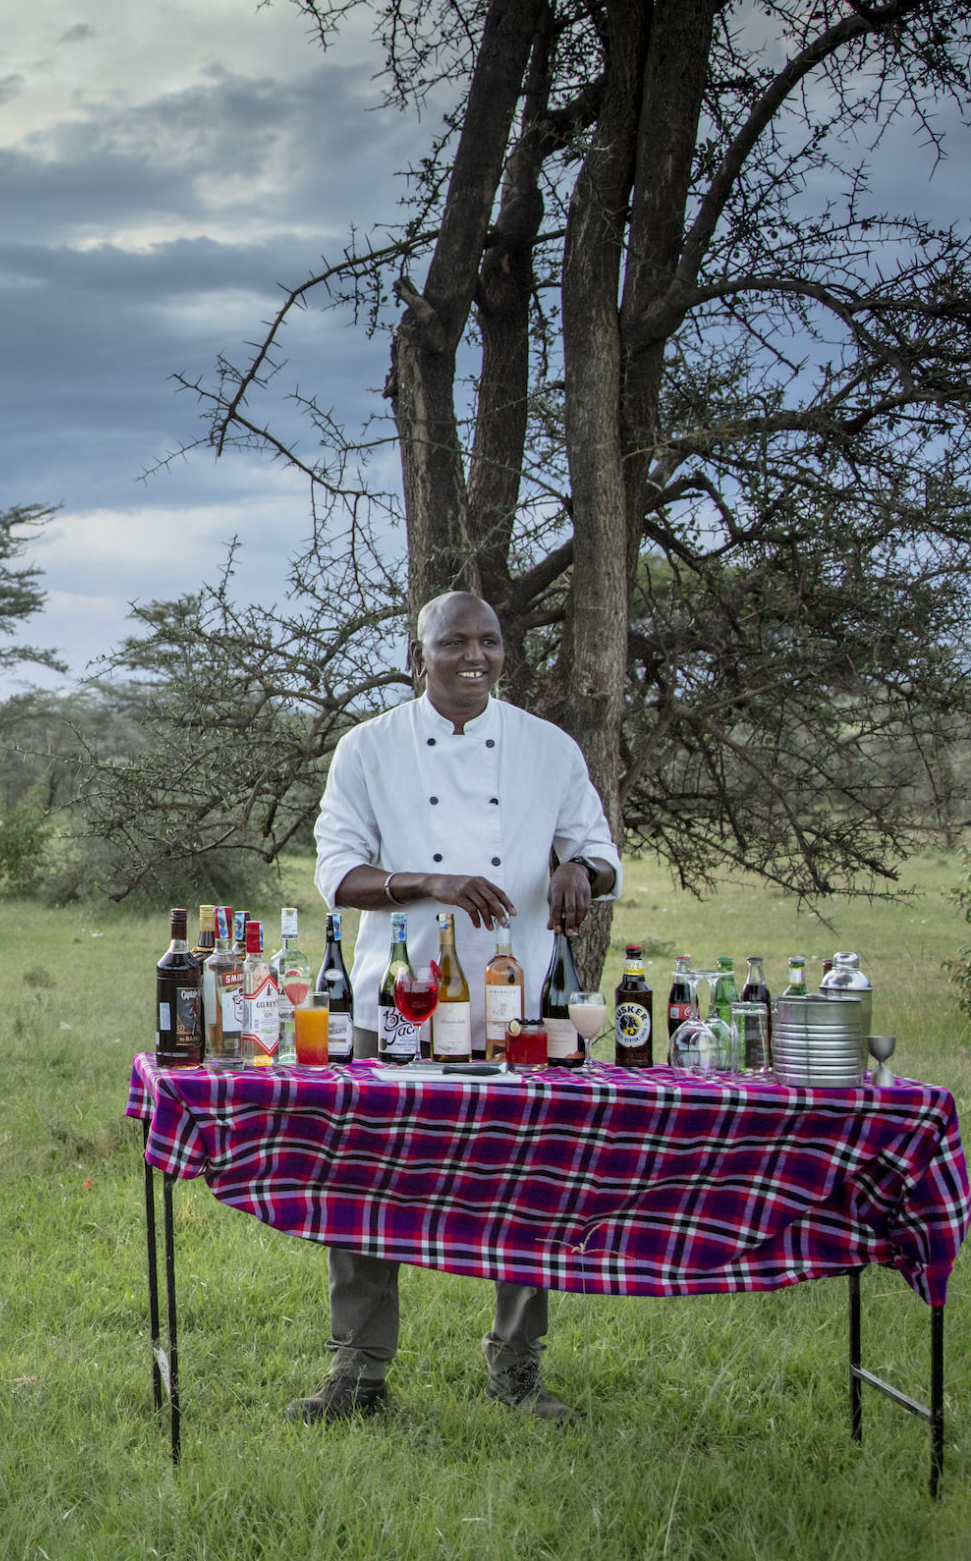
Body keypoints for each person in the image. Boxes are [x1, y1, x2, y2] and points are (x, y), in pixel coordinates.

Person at [295, 590, 622, 1424]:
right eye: (454, 643)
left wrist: (581, 870)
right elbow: (335, 874)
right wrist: (428, 880)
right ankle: (358, 1374)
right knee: (368, 1181)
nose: (475, 656)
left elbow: (599, 849)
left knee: (534, 1181)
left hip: (521, 1005)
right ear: (418, 658)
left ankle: (517, 1367)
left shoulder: (550, 749)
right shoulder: (367, 748)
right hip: (398, 1001)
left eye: (489, 642)